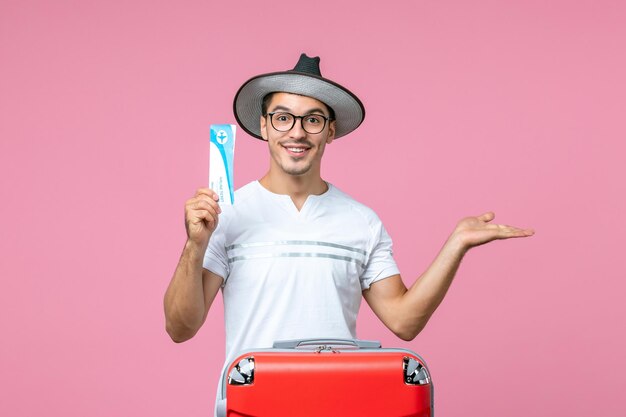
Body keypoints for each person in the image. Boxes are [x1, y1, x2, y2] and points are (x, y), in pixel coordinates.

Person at [163, 53, 534, 408]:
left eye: (312, 120)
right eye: (282, 118)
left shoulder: (361, 221)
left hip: (340, 403)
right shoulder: (227, 215)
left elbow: (404, 321)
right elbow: (181, 328)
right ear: (264, 126)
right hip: (254, 404)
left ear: (330, 131)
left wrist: (456, 244)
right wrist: (196, 245)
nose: (297, 132)